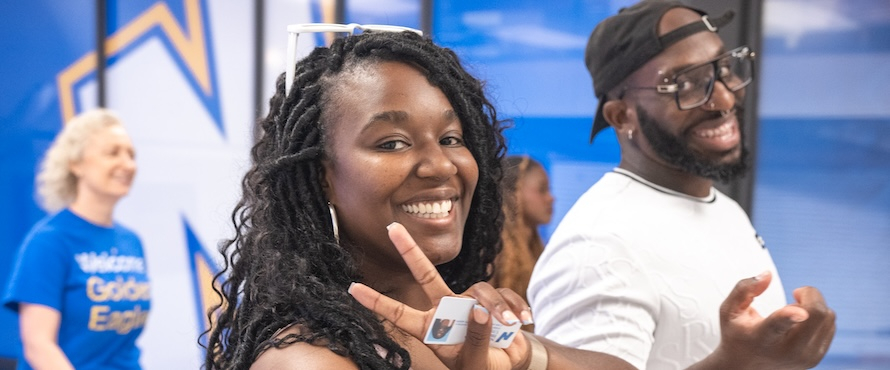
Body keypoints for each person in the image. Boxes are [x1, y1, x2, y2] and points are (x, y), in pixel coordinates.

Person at [527, 1, 836, 369]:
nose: (724, 99)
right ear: (621, 116)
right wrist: (734, 365)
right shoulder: (598, 244)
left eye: (723, 69)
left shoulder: (722, 207)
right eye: (685, 84)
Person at [2, 109, 150, 370]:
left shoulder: (131, 241)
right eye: (113, 153)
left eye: (131, 155)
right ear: (76, 164)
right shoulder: (48, 241)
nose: (128, 164)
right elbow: (38, 346)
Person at [491, 156, 553, 305]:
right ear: (513, 193)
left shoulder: (539, 250)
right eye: (542, 189)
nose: (551, 198)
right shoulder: (492, 255)